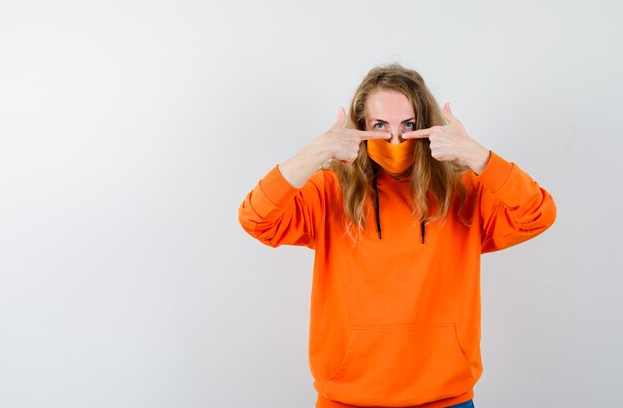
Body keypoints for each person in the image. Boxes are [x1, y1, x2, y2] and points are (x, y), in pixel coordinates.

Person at [238, 64, 556, 408]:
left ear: (427, 125)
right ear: (359, 128)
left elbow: (538, 214)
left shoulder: (464, 191)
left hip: (446, 399)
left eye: (409, 125)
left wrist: (474, 154)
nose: (395, 139)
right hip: (346, 400)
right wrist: (317, 152)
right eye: (379, 126)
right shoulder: (330, 191)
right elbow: (257, 219)